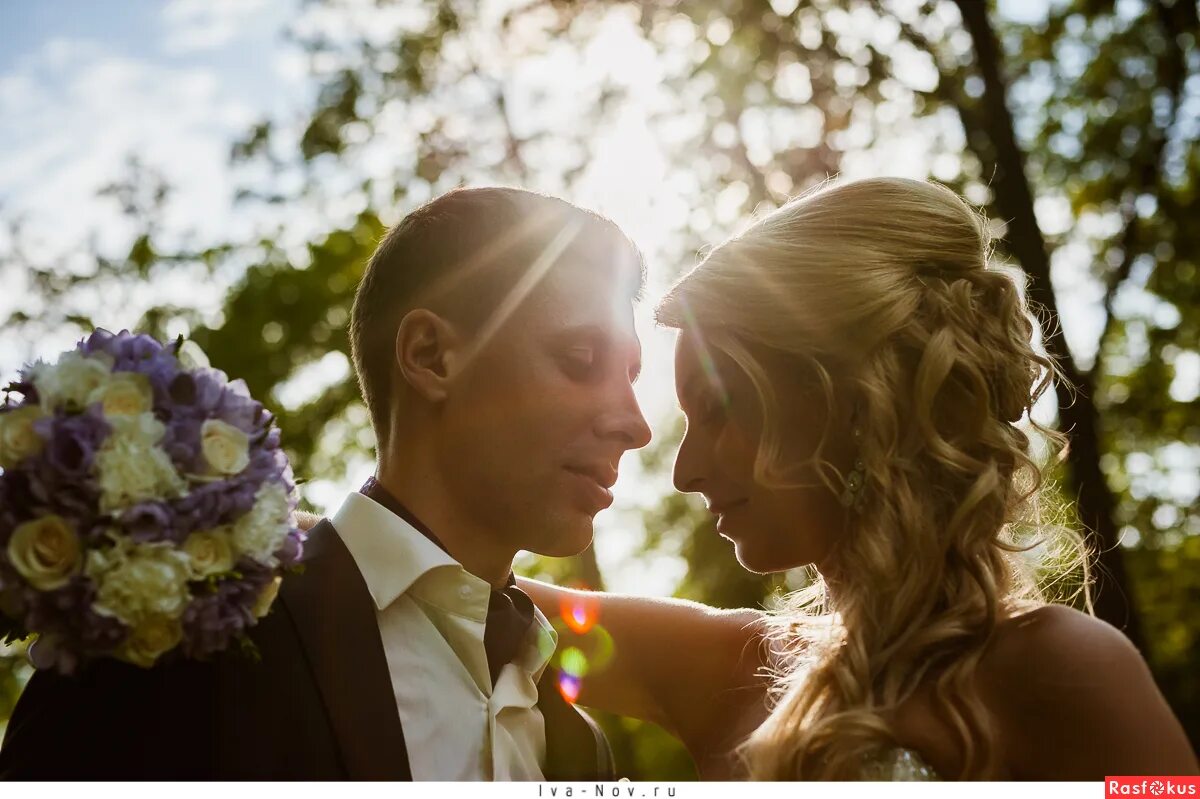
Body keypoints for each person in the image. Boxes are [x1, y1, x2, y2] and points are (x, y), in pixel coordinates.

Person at [518, 177, 1200, 780]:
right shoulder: (726, 668)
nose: (685, 470)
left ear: (851, 402)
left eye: (720, 410)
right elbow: (459, 587)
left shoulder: (1064, 670)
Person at [0, 187, 652, 780]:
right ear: (429, 355)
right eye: (581, 361)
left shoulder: (579, 749)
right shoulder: (174, 648)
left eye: (631, 374)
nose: (635, 423)